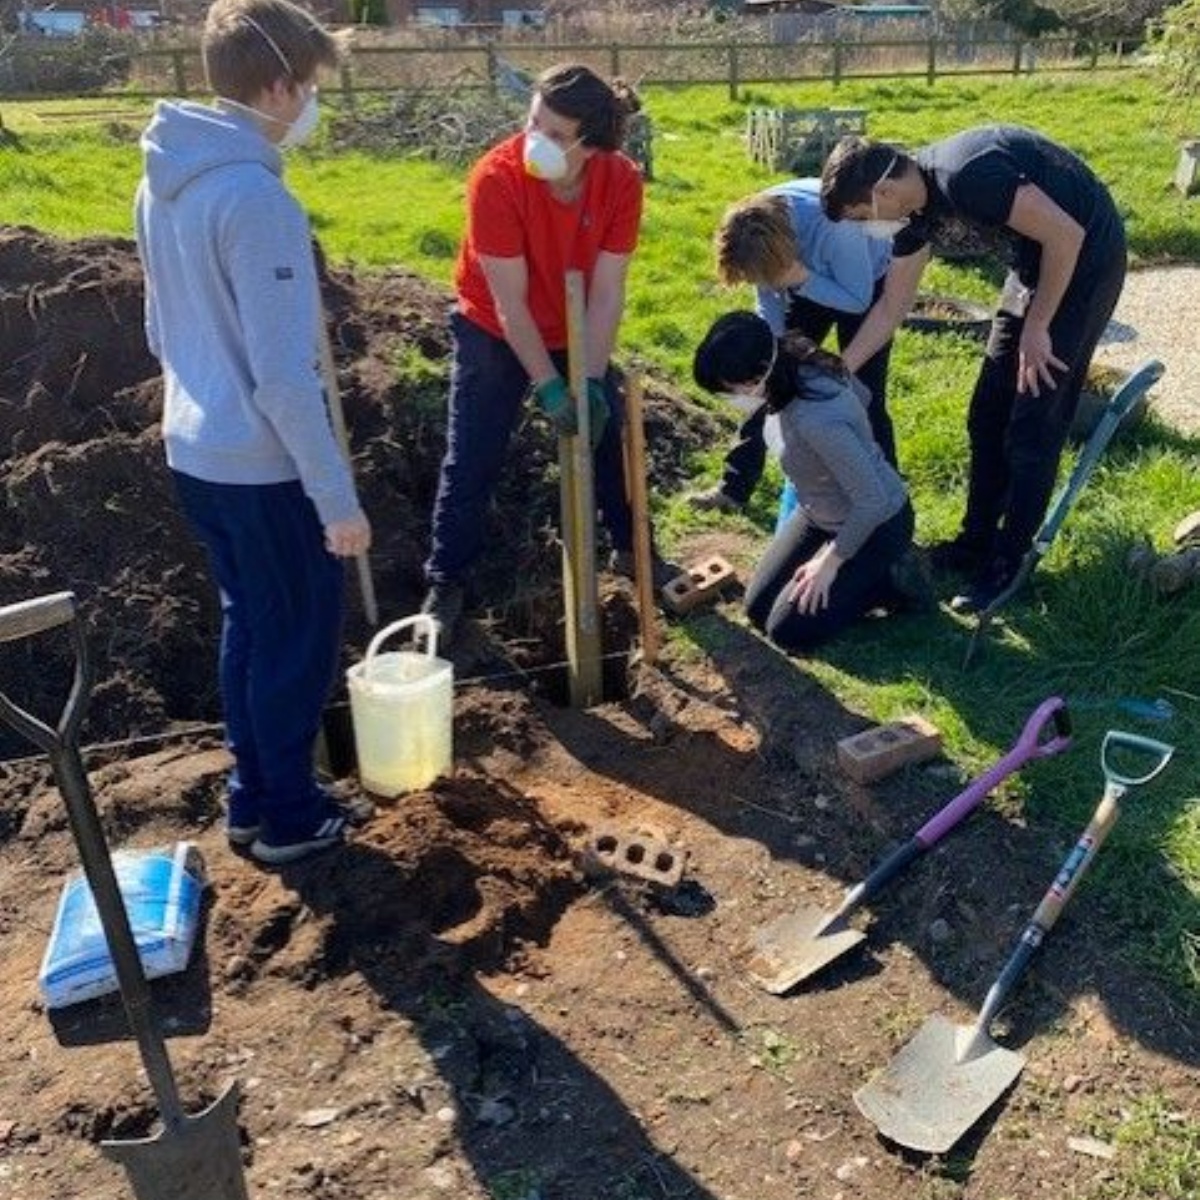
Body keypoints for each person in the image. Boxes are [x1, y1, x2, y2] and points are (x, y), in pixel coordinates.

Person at [134, 0, 371, 865]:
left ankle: (254, 798)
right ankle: (290, 819)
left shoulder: (163, 178)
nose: (309, 103)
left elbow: (159, 328)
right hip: (264, 468)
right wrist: (335, 497)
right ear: (277, 86)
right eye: (307, 86)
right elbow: (281, 378)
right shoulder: (256, 199)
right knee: (298, 642)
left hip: (196, 449)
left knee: (253, 626)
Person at [820, 126, 1127, 612]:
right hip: (1031, 268)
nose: (866, 228)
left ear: (883, 192)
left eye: (862, 217)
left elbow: (1067, 235)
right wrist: (840, 369)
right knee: (987, 414)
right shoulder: (914, 217)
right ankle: (975, 543)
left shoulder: (965, 176)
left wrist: (1038, 326)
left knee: (1032, 422)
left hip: (1085, 262)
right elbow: (892, 307)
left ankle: (1009, 563)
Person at [421, 63, 677, 646]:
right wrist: (549, 385)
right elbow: (509, 303)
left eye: (556, 134)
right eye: (534, 122)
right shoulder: (497, 179)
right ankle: (446, 581)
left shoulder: (620, 180)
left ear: (592, 143)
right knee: (474, 450)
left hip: (574, 322)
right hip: (494, 326)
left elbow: (607, 292)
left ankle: (631, 550)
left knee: (606, 432)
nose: (536, 140)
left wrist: (589, 380)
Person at [693, 313, 926, 652]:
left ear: (758, 375)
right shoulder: (791, 368)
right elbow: (862, 396)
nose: (730, 399)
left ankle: (889, 582)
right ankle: (849, 575)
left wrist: (829, 562)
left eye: (729, 390)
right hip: (818, 511)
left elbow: (871, 500)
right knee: (757, 609)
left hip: (876, 523)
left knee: (788, 632)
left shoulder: (817, 420)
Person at [689, 179, 895, 516]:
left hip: (863, 282)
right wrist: (771, 350)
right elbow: (766, 293)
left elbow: (856, 299)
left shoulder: (836, 227)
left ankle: (886, 502)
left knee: (866, 393)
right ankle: (733, 488)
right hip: (797, 275)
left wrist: (803, 280)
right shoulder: (752, 232)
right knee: (763, 376)